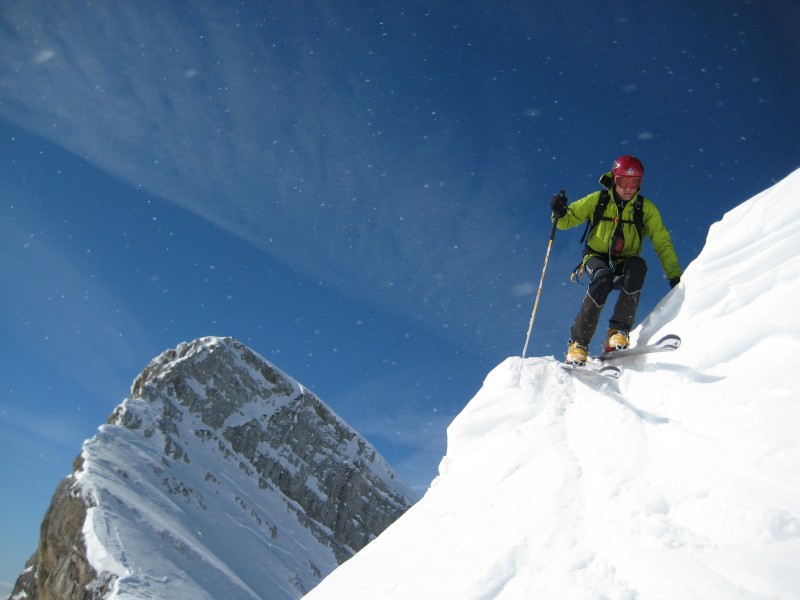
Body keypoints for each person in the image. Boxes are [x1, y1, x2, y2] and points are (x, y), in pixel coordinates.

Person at [549, 155, 681, 365]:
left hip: (626, 261)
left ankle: (618, 331)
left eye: (634, 183)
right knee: (603, 278)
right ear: (614, 179)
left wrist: (674, 276)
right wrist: (560, 211)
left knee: (638, 267)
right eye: (622, 182)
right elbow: (566, 221)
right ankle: (578, 343)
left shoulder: (645, 209)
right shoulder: (598, 200)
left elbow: (662, 242)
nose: (628, 188)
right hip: (596, 257)